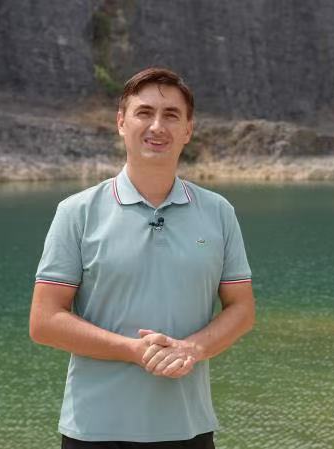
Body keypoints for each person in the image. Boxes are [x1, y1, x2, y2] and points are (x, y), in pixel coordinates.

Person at [29, 67, 255, 449]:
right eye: (144, 113)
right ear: (121, 122)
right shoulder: (76, 212)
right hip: (95, 431)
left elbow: (242, 309)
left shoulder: (219, 212)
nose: (157, 126)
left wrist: (192, 349)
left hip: (189, 428)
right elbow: (44, 321)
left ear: (188, 130)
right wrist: (133, 351)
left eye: (171, 115)